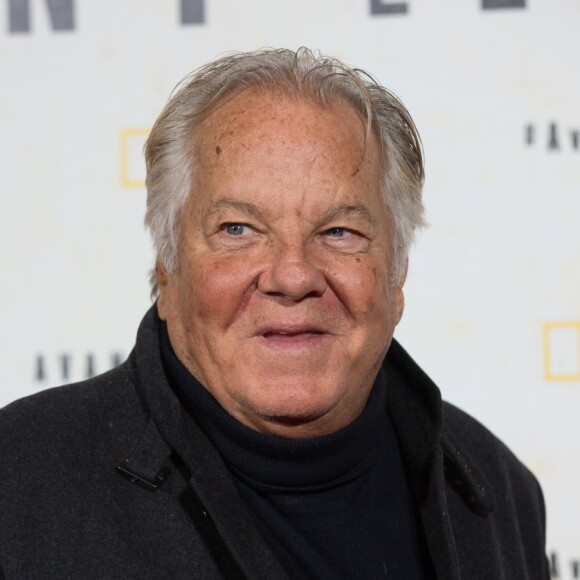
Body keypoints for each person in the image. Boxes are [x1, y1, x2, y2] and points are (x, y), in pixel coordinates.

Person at [0, 48, 548, 579]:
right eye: (238, 229)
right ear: (167, 269)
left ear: (397, 272)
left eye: (339, 232)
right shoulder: (20, 483)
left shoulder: (495, 491)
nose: (293, 277)